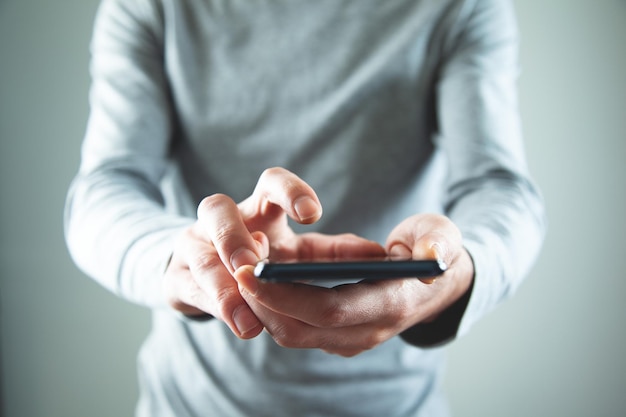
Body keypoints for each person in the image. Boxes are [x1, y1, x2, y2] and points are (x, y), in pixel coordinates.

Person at [64, 0, 546, 416]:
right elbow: (104, 189)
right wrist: (183, 259)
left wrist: (457, 272)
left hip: (394, 404)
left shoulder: (459, 7)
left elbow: (499, 187)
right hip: (193, 402)